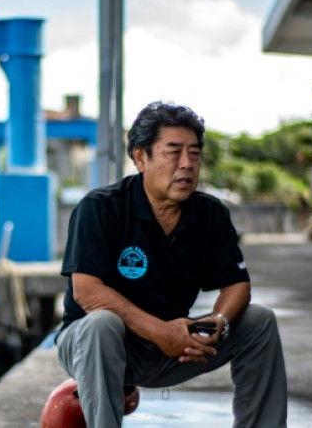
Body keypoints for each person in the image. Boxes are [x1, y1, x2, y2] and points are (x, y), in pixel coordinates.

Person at [55, 101, 287, 427]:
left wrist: (218, 322)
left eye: (194, 153)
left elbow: (237, 285)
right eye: (173, 152)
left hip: (174, 346)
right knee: (102, 323)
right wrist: (160, 331)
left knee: (259, 321)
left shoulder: (210, 214)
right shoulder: (100, 208)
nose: (186, 164)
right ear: (140, 157)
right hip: (96, 347)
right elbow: (87, 291)